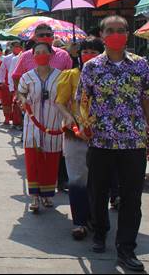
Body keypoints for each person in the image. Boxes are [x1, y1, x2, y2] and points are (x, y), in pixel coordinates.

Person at [77, 15, 149, 272]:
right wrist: (83, 124)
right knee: (97, 192)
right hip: (101, 141)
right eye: (110, 30)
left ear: (128, 34)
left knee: (132, 198)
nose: (116, 34)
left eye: (121, 30)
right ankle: (100, 232)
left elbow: (148, 100)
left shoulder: (140, 65)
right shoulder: (91, 67)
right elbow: (82, 101)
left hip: (133, 142)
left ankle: (126, 249)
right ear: (102, 36)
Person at [55, 36, 105, 240]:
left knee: (99, 181)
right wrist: (69, 118)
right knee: (76, 179)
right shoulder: (70, 75)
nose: (89, 55)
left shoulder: (109, 75)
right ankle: (79, 222)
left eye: (94, 51)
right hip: (75, 134)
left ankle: (97, 218)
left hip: (103, 136)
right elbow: (60, 102)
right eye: (85, 51)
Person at [17, 42, 64, 213]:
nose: (41, 55)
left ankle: (47, 194)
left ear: (51, 55)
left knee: (51, 161)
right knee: (33, 160)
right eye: (37, 52)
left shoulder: (61, 77)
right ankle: (35, 196)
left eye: (44, 52)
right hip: (32, 124)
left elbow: (65, 98)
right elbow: (20, 92)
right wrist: (22, 99)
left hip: (53, 123)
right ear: (33, 56)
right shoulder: (27, 77)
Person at [11, 23, 73, 91]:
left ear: (52, 37)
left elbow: (70, 77)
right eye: (41, 35)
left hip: (58, 99)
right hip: (32, 100)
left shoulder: (63, 55)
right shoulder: (26, 56)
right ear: (35, 38)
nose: (45, 37)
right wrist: (22, 94)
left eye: (48, 35)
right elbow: (16, 76)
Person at [0, 41, 22, 127]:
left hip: (19, 82)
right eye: (15, 46)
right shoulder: (6, 58)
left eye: (18, 46)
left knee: (17, 103)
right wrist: (2, 81)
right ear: (11, 48)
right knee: (6, 102)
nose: (17, 48)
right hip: (7, 82)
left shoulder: (23, 56)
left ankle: (17, 121)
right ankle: (7, 118)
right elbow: (2, 70)